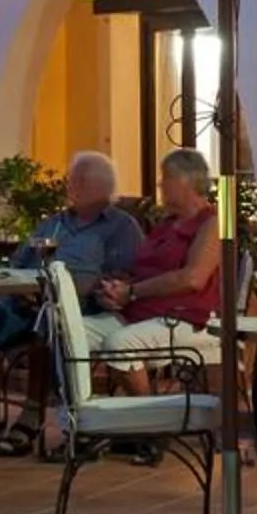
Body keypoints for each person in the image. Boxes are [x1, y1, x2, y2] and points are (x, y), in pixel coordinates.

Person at [0, 151, 143, 458]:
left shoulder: (121, 227)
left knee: (49, 325)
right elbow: (20, 262)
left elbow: (119, 277)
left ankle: (31, 418)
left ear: (94, 185)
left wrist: (63, 291)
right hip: (29, 302)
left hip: (80, 309)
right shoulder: (53, 224)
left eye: (75, 180)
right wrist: (20, 287)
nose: (69, 186)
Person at [86, 148, 225, 409]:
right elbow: (141, 270)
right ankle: (85, 420)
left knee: (120, 344)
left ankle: (150, 422)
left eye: (166, 177)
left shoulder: (214, 222)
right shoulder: (165, 224)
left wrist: (133, 291)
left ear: (187, 181)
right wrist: (115, 289)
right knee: (70, 333)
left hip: (185, 318)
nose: (160, 184)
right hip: (138, 313)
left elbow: (193, 278)